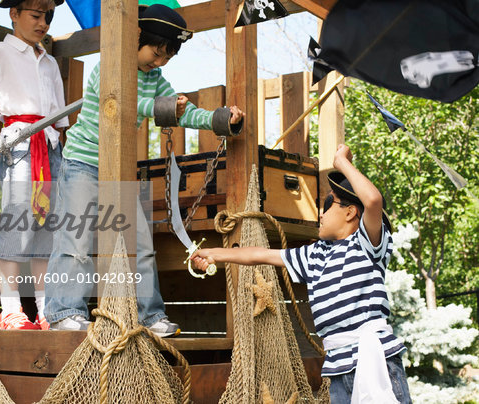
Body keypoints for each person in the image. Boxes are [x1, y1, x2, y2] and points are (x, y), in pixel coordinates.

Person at [43, 4, 245, 336]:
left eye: (168, 57)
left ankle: (150, 317)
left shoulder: (155, 79)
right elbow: (124, 102)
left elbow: (183, 112)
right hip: (82, 164)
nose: (160, 61)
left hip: (119, 172)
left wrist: (219, 119)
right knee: (74, 242)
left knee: (140, 244)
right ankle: (64, 312)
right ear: (137, 36)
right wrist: (163, 107)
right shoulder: (107, 67)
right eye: (157, 51)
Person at [191, 144, 412, 403]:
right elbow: (260, 255)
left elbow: (373, 201)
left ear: (351, 212)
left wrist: (342, 163)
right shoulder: (314, 254)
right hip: (338, 367)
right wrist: (215, 253)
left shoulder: (366, 244)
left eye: (329, 206)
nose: (321, 213)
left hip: (376, 359)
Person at [0, 0, 67, 330]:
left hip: (51, 146)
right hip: (19, 145)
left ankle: (46, 309)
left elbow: (60, 120)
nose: (43, 23)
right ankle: (10, 310)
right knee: (19, 225)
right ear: (14, 14)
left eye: (47, 16)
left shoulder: (50, 63)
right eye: (36, 15)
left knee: (48, 229)